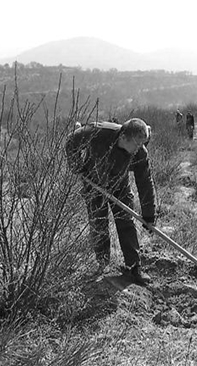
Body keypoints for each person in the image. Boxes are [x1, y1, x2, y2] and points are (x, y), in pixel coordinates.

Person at [65, 118, 156, 285]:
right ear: (123, 137)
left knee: (126, 222)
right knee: (99, 223)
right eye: (136, 145)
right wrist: (78, 167)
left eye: (141, 145)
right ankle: (103, 263)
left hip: (119, 185)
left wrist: (149, 215)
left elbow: (145, 182)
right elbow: (71, 142)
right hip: (93, 182)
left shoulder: (140, 153)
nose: (138, 149)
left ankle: (134, 267)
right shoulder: (97, 132)